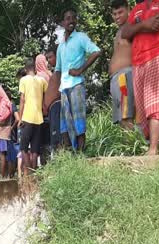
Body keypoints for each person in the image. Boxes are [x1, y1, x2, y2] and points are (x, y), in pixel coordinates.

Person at [122, 0, 159, 156]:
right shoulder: (137, 8)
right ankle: (150, 148)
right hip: (138, 62)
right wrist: (144, 25)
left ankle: (153, 149)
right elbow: (125, 33)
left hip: (157, 55)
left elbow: (157, 22)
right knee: (143, 110)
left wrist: (136, 27)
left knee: (155, 104)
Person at [54, 9, 102, 151]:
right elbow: (57, 70)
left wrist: (80, 70)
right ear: (63, 23)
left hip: (76, 85)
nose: (71, 21)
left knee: (79, 121)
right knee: (64, 123)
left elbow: (96, 51)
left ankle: (81, 154)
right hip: (63, 88)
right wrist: (57, 90)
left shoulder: (81, 37)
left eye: (73, 18)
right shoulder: (61, 46)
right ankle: (71, 156)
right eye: (68, 18)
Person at [17, 61, 48, 187]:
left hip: (27, 118)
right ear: (35, 69)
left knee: (24, 148)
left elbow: (22, 100)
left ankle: (28, 174)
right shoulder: (42, 81)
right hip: (39, 119)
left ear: (25, 69)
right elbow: (45, 98)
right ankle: (34, 174)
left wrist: (20, 118)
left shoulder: (23, 80)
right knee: (35, 149)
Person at [110, 1, 137, 130]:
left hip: (125, 76)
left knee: (127, 116)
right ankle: (130, 146)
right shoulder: (119, 31)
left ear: (128, 10)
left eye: (120, 12)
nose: (117, 16)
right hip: (116, 78)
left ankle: (135, 146)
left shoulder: (132, 26)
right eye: (114, 14)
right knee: (121, 118)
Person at [43, 47, 61, 157]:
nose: (48, 60)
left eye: (50, 57)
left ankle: (60, 157)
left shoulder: (61, 69)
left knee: (57, 134)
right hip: (52, 108)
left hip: (57, 105)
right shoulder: (55, 71)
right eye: (47, 58)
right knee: (54, 135)